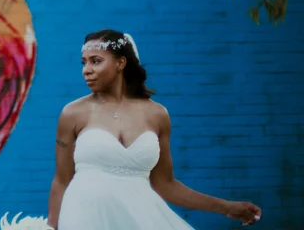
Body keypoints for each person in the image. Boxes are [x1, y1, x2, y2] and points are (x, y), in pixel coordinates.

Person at [47, 29, 262, 229]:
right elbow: (61, 180)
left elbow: (165, 184)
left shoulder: (157, 115)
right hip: (84, 216)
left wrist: (226, 207)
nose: (87, 70)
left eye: (96, 61)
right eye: (84, 63)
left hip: (140, 215)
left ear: (121, 63)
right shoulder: (73, 113)